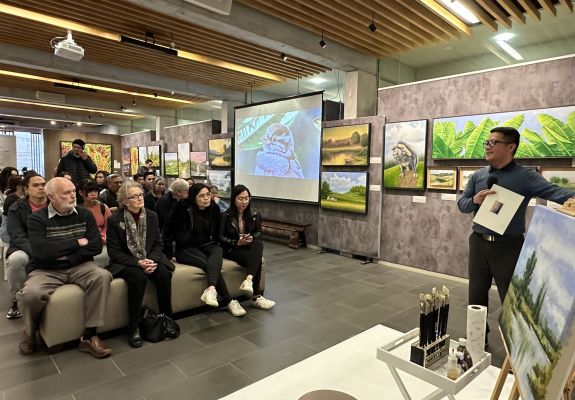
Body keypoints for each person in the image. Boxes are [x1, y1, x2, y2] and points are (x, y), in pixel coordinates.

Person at [458, 126, 575, 341]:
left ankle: (516, 349)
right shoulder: (478, 176)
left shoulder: (525, 177)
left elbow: (556, 193)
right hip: (478, 242)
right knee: (475, 295)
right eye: (486, 142)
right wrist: (475, 200)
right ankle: (477, 340)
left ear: (511, 147)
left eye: (493, 142)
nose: (487, 146)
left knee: (511, 299)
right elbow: (462, 204)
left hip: (508, 246)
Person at [17, 177, 112, 357]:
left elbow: (95, 246)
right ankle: (29, 333)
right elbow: (41, 251)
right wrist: (77, 242)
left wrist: (64, 255)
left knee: (102, 276)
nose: (72, 196)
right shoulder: (37, 219)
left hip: (80, 266)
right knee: (30, 294)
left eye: (73, 192)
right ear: (51, 197)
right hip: (46, 270)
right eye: (66, 193)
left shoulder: (85, 214)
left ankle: (89, 336)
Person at [106, 182, 174, 348]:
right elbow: (114, 252)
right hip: (127, 261)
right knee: (138, 278)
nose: (139, 198)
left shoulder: (152, 216)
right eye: (134, 196)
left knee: (163, 274)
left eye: (140, 195)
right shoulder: (114, 220)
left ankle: (167, 318)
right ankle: (134, 326)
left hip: (149, 257)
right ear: (125, 201)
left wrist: (151, 260)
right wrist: (138, 262)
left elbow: (158, 243)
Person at [164, 183, 245, 317]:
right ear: (193, 197)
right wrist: (168, 253)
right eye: (202, 196)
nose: (206, 198)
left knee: (217, 250)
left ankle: (211, 289)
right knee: (207, 264)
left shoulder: (213, 208)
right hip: (185, 248)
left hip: (206, 244)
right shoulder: (182, 208)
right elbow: (168, 230)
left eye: (208, 194)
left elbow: (218, 232)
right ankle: (229, 301)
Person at [219, 185, 275, 311]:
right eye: (240, 199)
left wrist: (251, 237)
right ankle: (256, 297)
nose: (244, 202)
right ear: (233, 199)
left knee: (258, 243)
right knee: (256, 260)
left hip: (248, 246)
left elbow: (258, 232)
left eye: (246, 198)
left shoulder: (254, 214)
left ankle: (248, 280)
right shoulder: (225, 215)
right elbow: (220, 237)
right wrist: (237, 242)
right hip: (232, 248)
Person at [4, 173, 48, 319]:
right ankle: (19, 297)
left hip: (52, 243)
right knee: (16, 260)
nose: (41, 188)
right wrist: (36, 251)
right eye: (36, 185)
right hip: (25, 246)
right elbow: (17, 235)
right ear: (26, 189)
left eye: (43, 184)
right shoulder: (17, 207)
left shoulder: (54, 203)